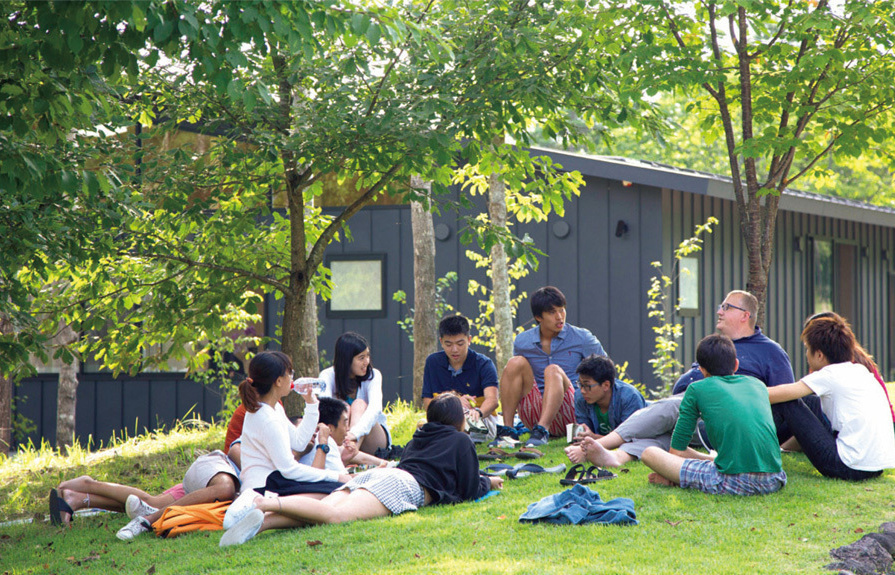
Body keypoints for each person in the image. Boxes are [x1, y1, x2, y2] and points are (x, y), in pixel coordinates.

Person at [219, 394, 503, 547]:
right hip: (401, 485)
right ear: (456, 419)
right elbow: (468, 489)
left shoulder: (419, 436)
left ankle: (262, 523)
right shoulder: (461, 440)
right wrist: (488, 482)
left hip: (381, 474)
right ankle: (265, 503)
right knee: (337, 516)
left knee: (325, 510)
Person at [579, 290, 797, 468]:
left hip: (717, 415)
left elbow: (787, 401)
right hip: (690, 412)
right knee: (663, 434)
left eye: (726, 307)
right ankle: (617, 458)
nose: (719, 311)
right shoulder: (719, 345)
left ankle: (601, 443)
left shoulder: (770, 352)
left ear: (745, 315)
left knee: (669, 408)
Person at [640, 334, 787, 495]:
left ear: (702, 370)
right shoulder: (757, 385)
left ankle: (677, 479)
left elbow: (676, 452)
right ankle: (712, 462)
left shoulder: (696, 389)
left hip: (731, 481)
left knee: (650, 453)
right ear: (736, 364)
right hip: (775, 479)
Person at [223, 351, 350, 531]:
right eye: (290, 373)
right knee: (334, 490)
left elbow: (298, 442)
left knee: (334, 490)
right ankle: (261, 514)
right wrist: (336, 475)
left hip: (274, 481)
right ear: (278, 381)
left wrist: (311, 405)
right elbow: (289, 469)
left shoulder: (274, 408)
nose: (293, 378)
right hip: (265, 485)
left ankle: (262, 516)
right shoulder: (267, 418)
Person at [768, 313, 895, 481]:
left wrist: (745, 389)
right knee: (810, 402)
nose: (806, 354)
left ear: (819, 355)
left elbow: (781, 394)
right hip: (875, 467)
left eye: (808, 349)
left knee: (788, 401)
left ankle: (754, 449)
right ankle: (772, 447)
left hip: (847, 467)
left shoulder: (829, 374)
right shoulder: (859, 371)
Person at [495, 286, 605, 447]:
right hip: (533, 412)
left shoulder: (582, 337)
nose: (559, 317)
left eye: (562, 310)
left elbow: (606, 372)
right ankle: (508, 432)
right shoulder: (522, 342)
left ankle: (542, 431)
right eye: (552, 312)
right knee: (514, 362)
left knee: (552, 370)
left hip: (571, 413)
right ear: (538, 317)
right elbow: (515, 380)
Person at [50, 449, 240, 541]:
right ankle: (88, 484)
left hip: (211, 479)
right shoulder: (252, 413)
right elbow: (234, 448)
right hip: (217, 472)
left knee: (150, 504)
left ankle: (77, 499)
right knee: (152, 504)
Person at [564, 354, 646, 465]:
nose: (582, 390)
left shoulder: (630, 398)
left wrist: (594, 438)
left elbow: (631, 440)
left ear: (606, 385)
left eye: (587, 386)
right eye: (580, 384)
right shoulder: (580, 397)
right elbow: (584, 434)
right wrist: (582, 437)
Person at [319, 332, 391, 455]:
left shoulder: (374, 375)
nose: (366, 362)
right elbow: (325, 409)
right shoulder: (327, 376)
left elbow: (375, 408)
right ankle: (347, 452)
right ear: (347, 359)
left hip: (372, 438)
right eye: (361, 358)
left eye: (367, 356)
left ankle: (349, 453)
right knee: (342, 407)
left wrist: (354, 433)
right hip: (339, 438)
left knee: (359, 404)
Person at [422, 315, 498, 420]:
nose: (454, 350)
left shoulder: (484, 364)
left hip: (479, 418)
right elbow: (427, 403)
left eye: (460, 344)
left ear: (469, 340)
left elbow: (493, 400)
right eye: (448, 344)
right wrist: (454, 403)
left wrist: (478, 413)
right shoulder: (433, 362)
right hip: (444, 418)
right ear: (441, 342)